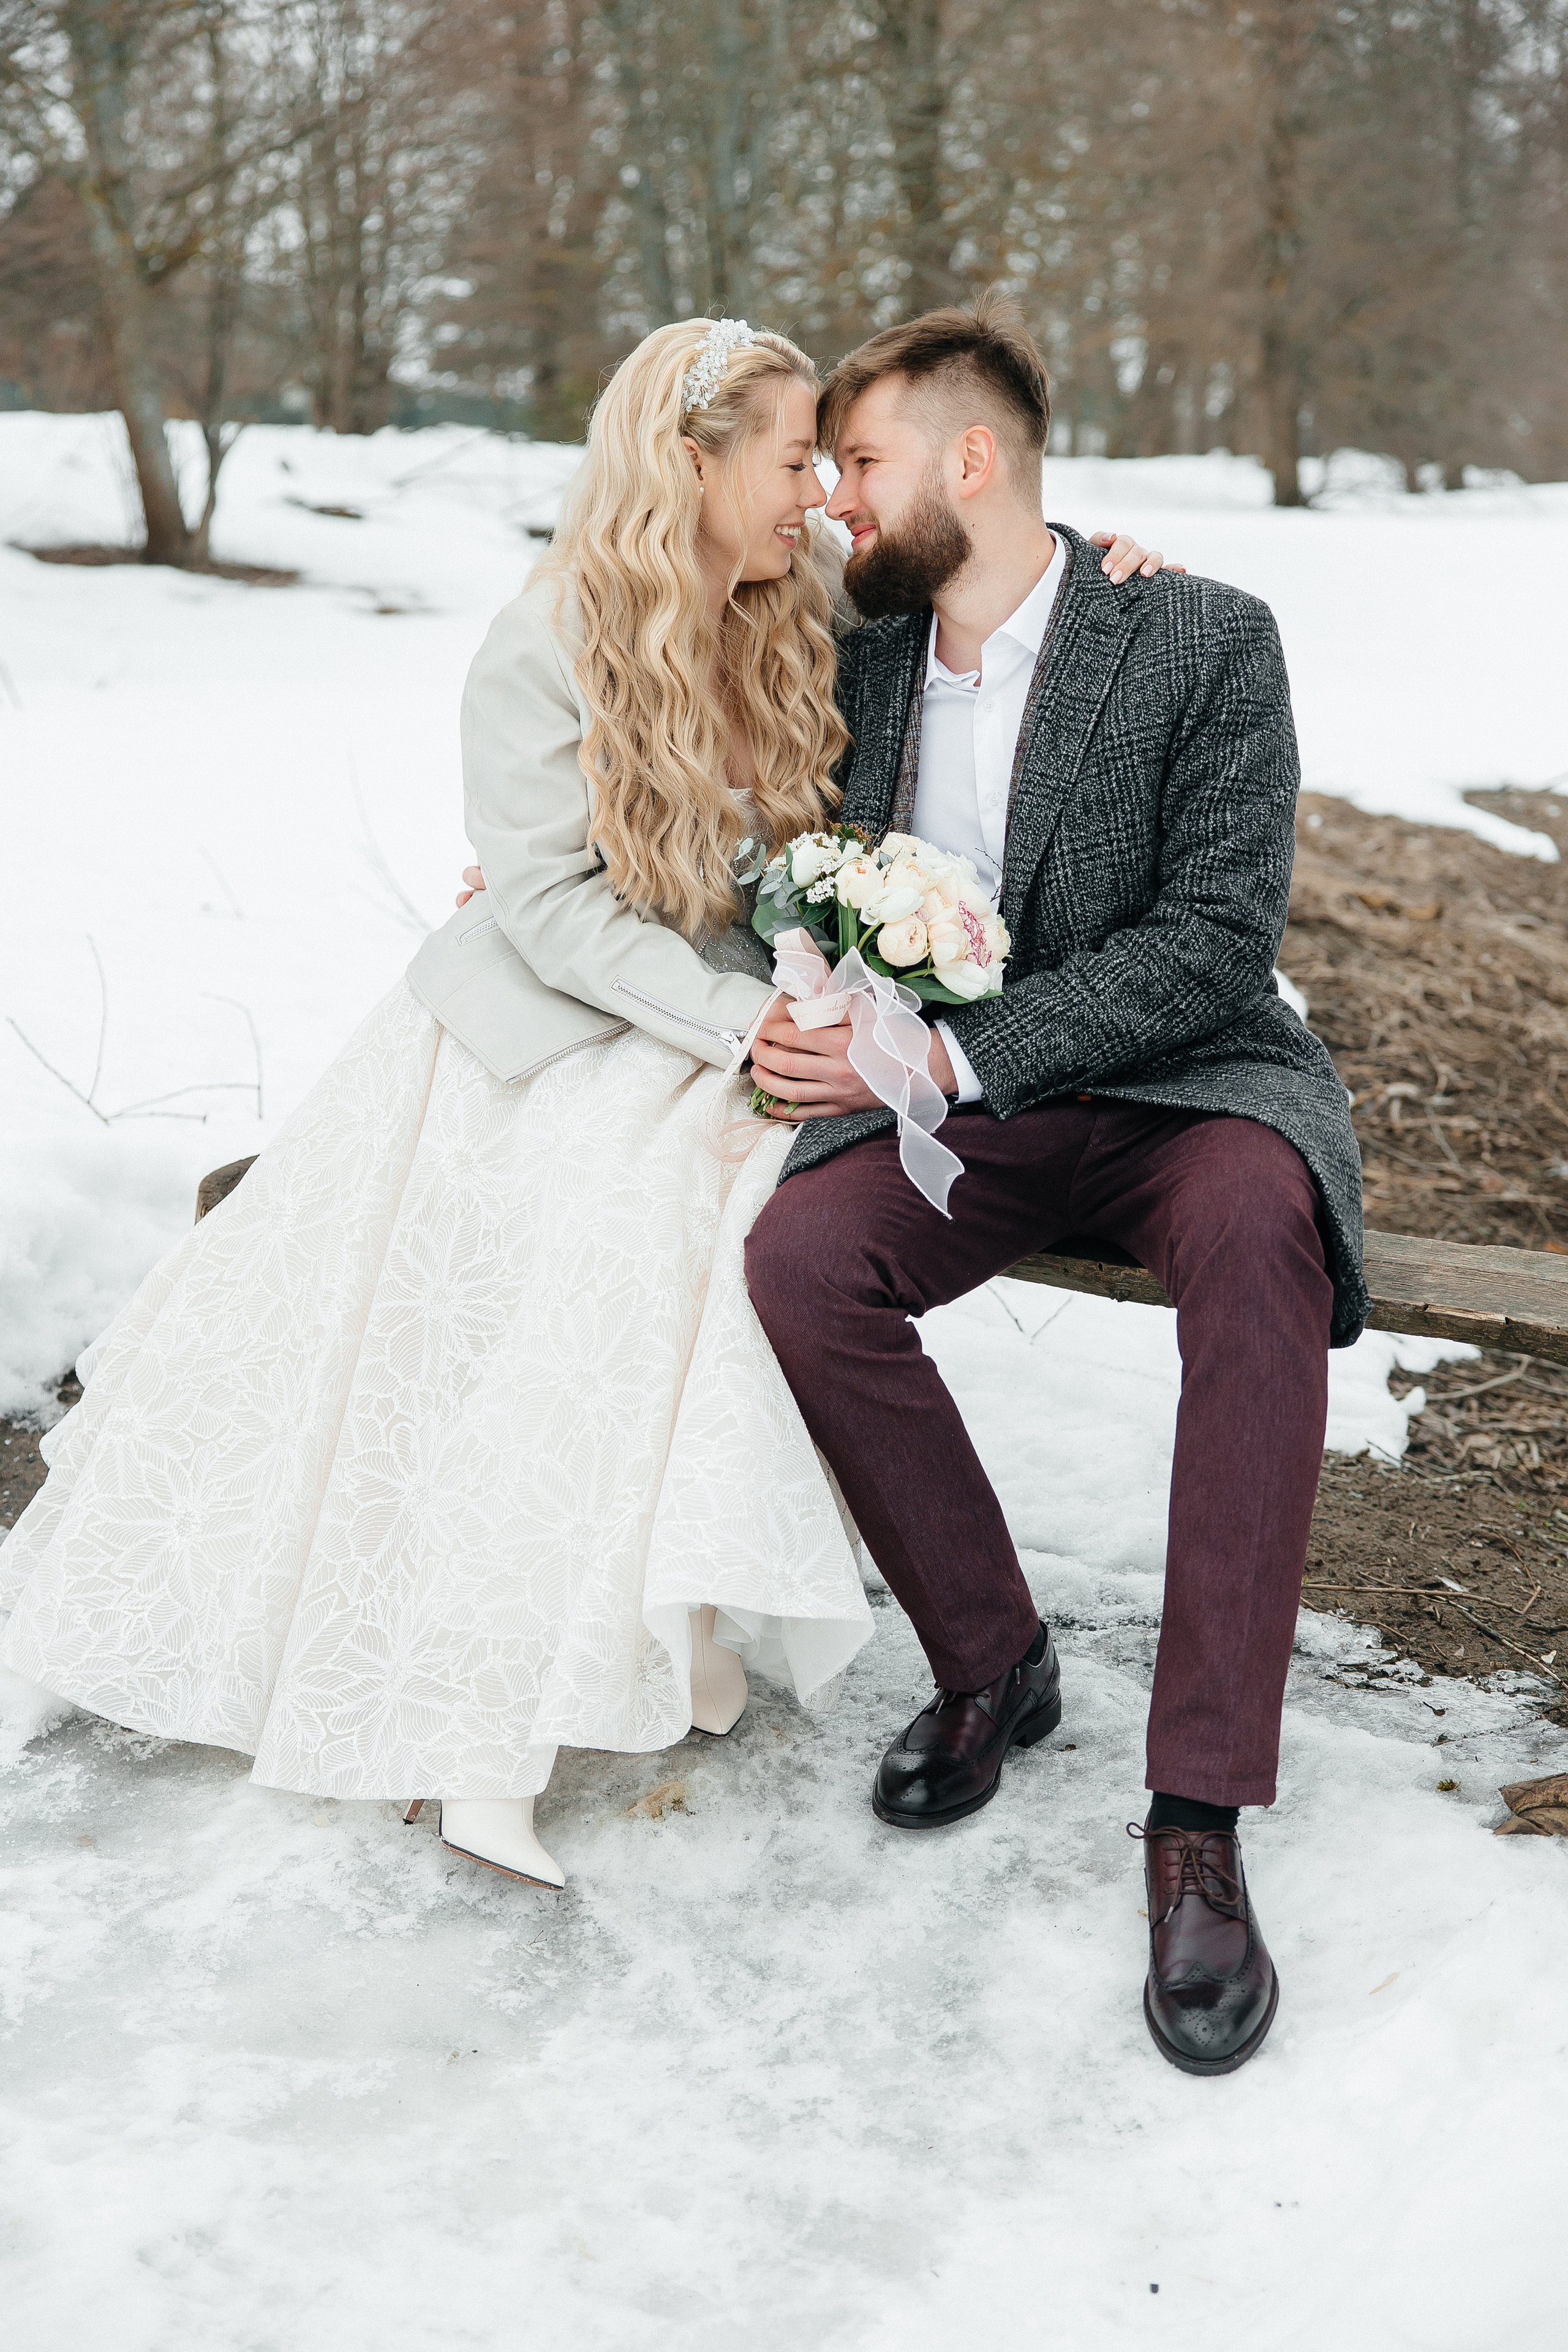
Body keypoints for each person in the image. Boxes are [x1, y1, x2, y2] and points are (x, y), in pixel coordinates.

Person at [0, 308, 1170, 1896]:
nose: (818, 496)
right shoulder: (543, 639)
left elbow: (979, 583)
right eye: (785, 462)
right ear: (685, 464)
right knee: (599, 1239)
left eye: (832, 466)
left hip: (728, 1026)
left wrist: (1102, 567)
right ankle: (483, 1715)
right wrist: (745, 1025)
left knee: (739, 1218)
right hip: (538, 1034)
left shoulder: (803, 608)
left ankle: (648, 1609)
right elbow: (550, 916)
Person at [731, 293, 1365, 2076]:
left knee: (1262, 1232)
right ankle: (994, 1656)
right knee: (804, 1259)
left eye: (863, 461)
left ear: (975, 459)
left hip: (1184, 1081)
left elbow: (1219, 938)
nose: (844, 500)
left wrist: (962, 1052)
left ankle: (1198, 1814)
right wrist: (560, 879)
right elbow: (746, 829)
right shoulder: (854, 663)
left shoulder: (1206, 638)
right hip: (964, 1115)